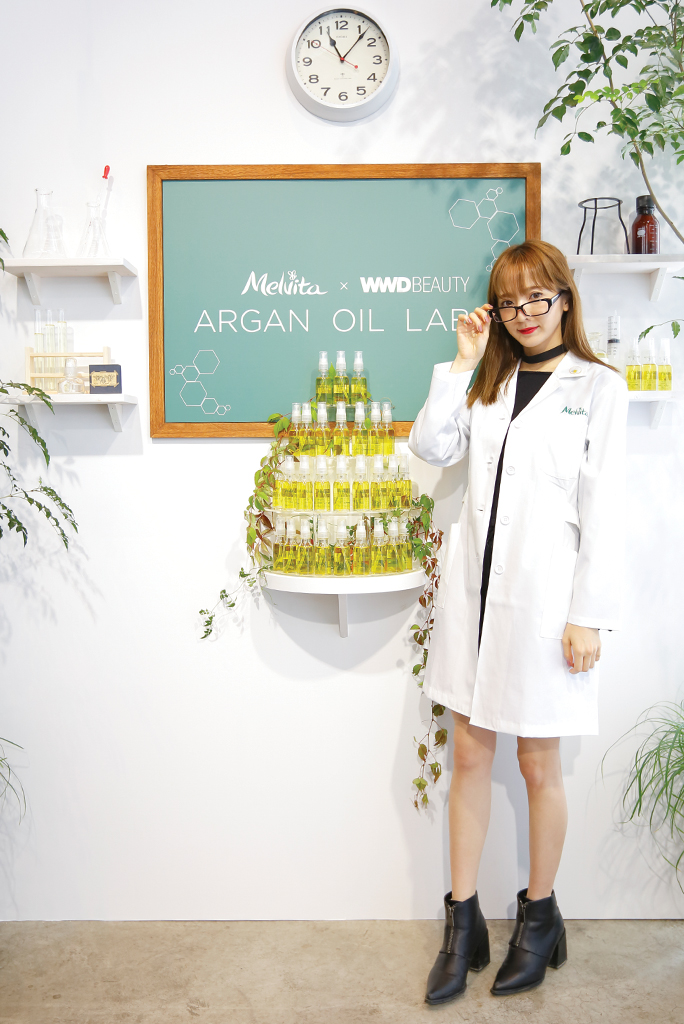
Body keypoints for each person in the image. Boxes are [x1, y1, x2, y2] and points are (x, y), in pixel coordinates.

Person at [408, 240, 628, 1002]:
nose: (524, 313)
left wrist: (587, 616)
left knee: (538, 765)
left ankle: (539, 919)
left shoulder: (598, 387)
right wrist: (463, 361)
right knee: (470, 757)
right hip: (474, 602)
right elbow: (431, 445)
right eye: (509, 302)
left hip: (545, 607)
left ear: (564, 297)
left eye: (538, 297)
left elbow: (605, 511)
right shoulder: (489, 383)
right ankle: (462, 924)